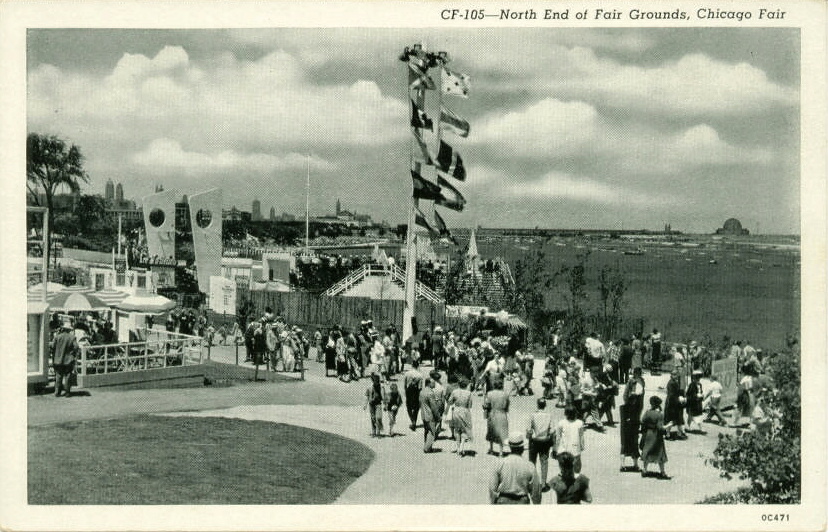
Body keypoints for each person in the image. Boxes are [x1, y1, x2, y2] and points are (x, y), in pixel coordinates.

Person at [488, 433, 542, 505]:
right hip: (522, 502)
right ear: (522, 448)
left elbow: (492, 488)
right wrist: (537, 504)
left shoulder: (500, 463)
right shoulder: (529, 465)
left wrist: (493, 502)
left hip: (503, 501)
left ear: (510, 447)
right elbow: (535, 491)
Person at [526, 397, 555, 492]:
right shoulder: (549, 415)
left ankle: (532, 483)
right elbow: (552, 430)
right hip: (545, 441)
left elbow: (529, 430)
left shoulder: (533, 415)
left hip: (534, 441)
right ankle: (543, 484)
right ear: (545, 405)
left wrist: (528, 437)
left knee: (532, 462)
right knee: (544, 462)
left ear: (537, 405)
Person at [619, 367, 645, 472]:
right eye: (636, 372)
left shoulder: (642, 381)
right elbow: (625, 396)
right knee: (626, 439)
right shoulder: (631, 382)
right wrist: (631, 396)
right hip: (629, 413)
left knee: (634, 439)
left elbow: (641, 397)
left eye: (638, 373)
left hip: (636, 413)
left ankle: (635, 464)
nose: (637, 374)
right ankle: (623, 464)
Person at [639, 395, 670, 479]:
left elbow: (642, 421)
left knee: (647, 451)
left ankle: (644, 470)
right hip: (656, 436)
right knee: (660, 453)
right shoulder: (660, 415)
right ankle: (662, 472)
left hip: (648, 434)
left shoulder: (647, 412)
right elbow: (660, 428)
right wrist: (668, 425)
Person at [50, 320, 79, 398]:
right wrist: (72, 353)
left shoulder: (57, 337)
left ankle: (57, 392)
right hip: (68, 360)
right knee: (68, 375)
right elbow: (76, 347)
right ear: (69, 330)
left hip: (58, 359)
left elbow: (52, 347)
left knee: (58, 376)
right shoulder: (72, 337)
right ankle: (67, 392)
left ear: (63, 328)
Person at [483, 377, 510, 457]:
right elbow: (507, 406)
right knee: (501, 433)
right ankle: (501, 452)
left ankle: (491, 449)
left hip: (493, 414)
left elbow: (487, 405)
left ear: (494, 386)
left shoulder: (490, 394)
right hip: (502, 414)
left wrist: (485, 408)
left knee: (491, 431)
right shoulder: (505, 394)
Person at [447, 377, 474, 456]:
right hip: (465, 411)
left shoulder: (454, 392)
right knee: (464, 430)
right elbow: (470, 405)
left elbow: (449, 401)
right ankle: (462, 446)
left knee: (457, 430)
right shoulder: (469, 393)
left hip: (456, 411)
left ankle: (458, 448)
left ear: (459, 384)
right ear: (466, 385)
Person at [555, 406, 585, 474]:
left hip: (564, 450)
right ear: (575, 413)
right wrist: (582, 445)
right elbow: (581, 436)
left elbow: (558, 437)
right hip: (575, 449)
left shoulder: (561, 423)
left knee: (564, 468)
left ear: (565, 414)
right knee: (576, 468)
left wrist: (556, 448)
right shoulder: (579, 423)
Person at [663, 370, 687, 440]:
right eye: (674, 375)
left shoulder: (675, 382)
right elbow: (671, 395)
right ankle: (667, 434)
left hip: (675, 403)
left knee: (678, 419)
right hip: (671, 404)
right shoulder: (671, 383)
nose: (676, 376)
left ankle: (679, 433)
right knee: (670, 419)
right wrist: (679, 399)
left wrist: (681, 396)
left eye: (676, 375)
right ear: (671, 375)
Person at [420, 378, 441, 453]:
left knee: (426, 430)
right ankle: (427, 448)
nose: (434, 384)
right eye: (433, 382)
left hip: (423, 413)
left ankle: (428, 446)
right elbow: (433, 407)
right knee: (432, 431)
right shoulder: (430, 393)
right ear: (429, 383)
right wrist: (438, 416)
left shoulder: (422, 391)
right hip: (429, 414)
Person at [403, 359, 424, 430]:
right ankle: (414, 420)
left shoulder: (407, 373)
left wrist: (405, 391)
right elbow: (420, 387)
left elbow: (405, 384)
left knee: (408, 407)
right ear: (418, 366)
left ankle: (412, 421)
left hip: (409, 391)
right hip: (416, 392)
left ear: (412, 365)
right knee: (416, 408)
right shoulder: (420, 375)